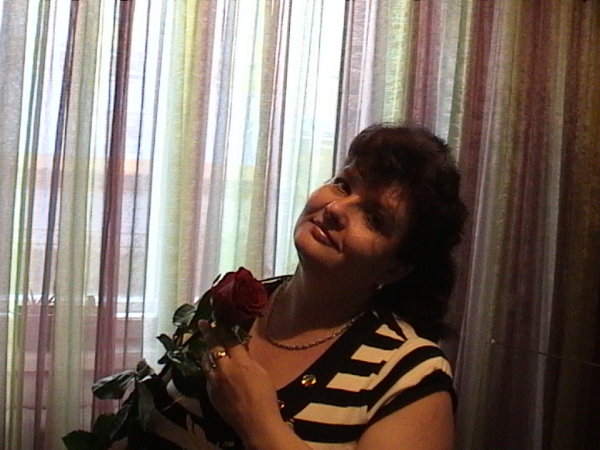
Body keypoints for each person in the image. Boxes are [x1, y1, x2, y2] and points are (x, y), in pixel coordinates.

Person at [138, 123, 467, 449]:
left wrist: (259, 423)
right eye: (343, 185)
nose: (336, 209)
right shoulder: (230, 302)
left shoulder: (410, 376)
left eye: (374, 218)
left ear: (395, 268)